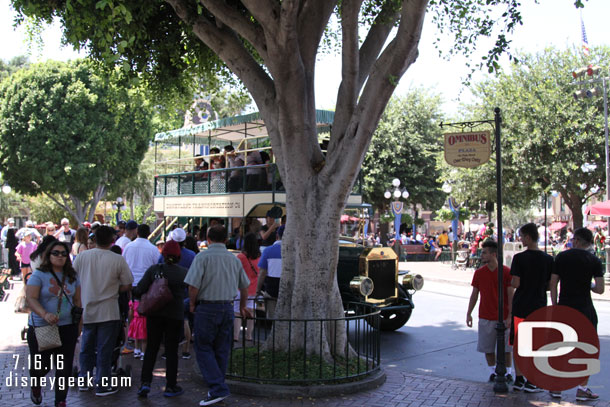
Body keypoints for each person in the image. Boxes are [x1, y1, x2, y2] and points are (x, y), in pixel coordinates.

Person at [185, 225, 250, 406]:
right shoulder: (234, 259)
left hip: (207, 308)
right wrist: (243, 306)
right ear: (225, 239)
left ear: (208, 238)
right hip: (227, 308)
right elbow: (244, 287)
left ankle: (217, 388)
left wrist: (191, 303)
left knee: (203, 347)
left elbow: (193, 286)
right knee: (221, 349)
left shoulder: (202, 257)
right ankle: (217, 387)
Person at [73, 225, 133, 396]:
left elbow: (72, 279)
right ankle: (102, 383)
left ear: (94, 239)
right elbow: (128, 283)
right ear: (112, 240)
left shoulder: (82, 257)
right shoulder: (117, 259)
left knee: (86, 347)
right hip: (109, 310)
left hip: (87, 309)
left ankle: (84, 379)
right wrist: (114, 289)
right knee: (105, 349)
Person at [550, 227, 605, 401]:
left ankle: (557, 387)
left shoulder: (562, 257)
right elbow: (600, 289)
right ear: (588, 242)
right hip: (585, 308)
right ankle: (582, 388)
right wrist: (588, 285)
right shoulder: (594, 260)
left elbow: (553, 284)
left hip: (565, 306)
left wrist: (555, 304)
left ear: (578, 240)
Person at [25, 241, 81, 407]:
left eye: (64, 253)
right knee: (41, 366)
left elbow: (77, 301)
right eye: (56, 253)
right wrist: (45, 314)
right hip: (42, 327)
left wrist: (79, 325)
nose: (60, 256)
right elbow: (31, 298)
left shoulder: (72, 276)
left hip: (67, 327)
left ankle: (60, 400)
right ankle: (36, 385)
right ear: (48, 255)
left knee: (64, 368)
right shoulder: (39, 275)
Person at [135, 240, 187, 398]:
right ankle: (171, 385)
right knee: (172, 351)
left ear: (163, 255)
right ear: (178, 256)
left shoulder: (154, 270)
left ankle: (145, 382)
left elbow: (139, 289)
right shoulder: (183, 272)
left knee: (151, 348)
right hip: (175, 316)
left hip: (155, 315)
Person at [509, 223, 552, 392]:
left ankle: (519, 379)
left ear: (528, 237)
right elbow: (550, 285)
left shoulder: (519, 258)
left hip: (521, 304)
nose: (520, 239)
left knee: (518, 342)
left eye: (521, 236)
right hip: (539, 304)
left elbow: (516, 282)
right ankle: (532, 380)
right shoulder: (548, 259)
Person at [466, 239, 514, 383]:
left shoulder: (506, 272)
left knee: (506, 349)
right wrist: (469, 313)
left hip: (503, 316)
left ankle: (508, 373)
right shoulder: (479, 273)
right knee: (488, 348)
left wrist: (510, 316)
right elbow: (474, 294)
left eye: (485, 253)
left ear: (494, 254)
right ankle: (493, 371)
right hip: (486, 315)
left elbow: (511, 295)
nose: (482, 255)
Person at [234, 233, 260, 342]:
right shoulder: (259, 257)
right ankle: (249, 335)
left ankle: (235, 336)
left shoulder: (240, 257)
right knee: (252, 312)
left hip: (241, 289)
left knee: (237, 312)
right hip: (253, 289)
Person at [257, 225, 283, 319]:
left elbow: (262, 273)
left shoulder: (268, 251)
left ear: (277, 236)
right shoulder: (293, 251)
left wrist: (258, 290)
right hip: (287, 290)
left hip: (271, 289)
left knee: (272, 317)